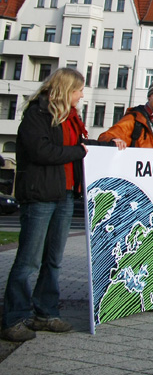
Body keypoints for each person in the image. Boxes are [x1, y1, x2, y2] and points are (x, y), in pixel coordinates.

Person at [2, 68, 89, 342]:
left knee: (54, 260)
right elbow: (41, 151)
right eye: (78, 90)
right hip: (40, 194)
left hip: (65, 194)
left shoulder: (72, 119)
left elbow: (80, 147)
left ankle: (45, 313)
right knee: (28, 260)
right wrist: (80, 151)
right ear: (65, 90)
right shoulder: (37, 115)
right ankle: (14, 318)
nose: (81, 95)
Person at [98, 79, 153, 150]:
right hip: (135, 165)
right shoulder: (134, 119)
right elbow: (105, 136)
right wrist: (113, 139)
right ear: (149, 97)